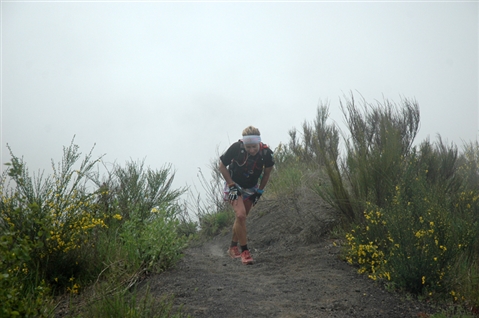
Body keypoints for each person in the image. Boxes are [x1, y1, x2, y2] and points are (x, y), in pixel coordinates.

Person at [219, 126, 275, 265]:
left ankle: (232, 247)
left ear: (259, 143)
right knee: (240, 215)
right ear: (244, 144)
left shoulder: (267, 153)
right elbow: (221, 166)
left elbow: (266, 174)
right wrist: (231, 186)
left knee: (241, 219)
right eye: (248, 147)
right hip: (234, 184)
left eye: (254, 147)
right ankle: (245, 252)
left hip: (251, 188)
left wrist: (259, 192)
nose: (251, 150)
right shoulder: (236, 148)